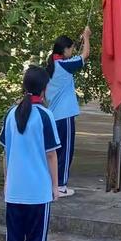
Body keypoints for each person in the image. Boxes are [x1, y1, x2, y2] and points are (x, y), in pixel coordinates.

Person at [0, 66, 60, 241]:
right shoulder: (45, 115)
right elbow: (51, 155)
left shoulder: (11, 113)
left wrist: (6, 181)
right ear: (44, 88)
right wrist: (55, 186)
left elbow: (6, 153)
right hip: (38, 192)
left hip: (14, 190)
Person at [45, 27, 91, 197]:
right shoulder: (63, 65)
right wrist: (86, 37)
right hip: (64, 116)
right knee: (65, 151)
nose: (72, 51)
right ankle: (61, 185)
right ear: (64, 50)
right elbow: (85, 54)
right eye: (70, 48)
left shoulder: (51, 64)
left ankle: (52, 184)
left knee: (53, 152)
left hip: (53, 115)